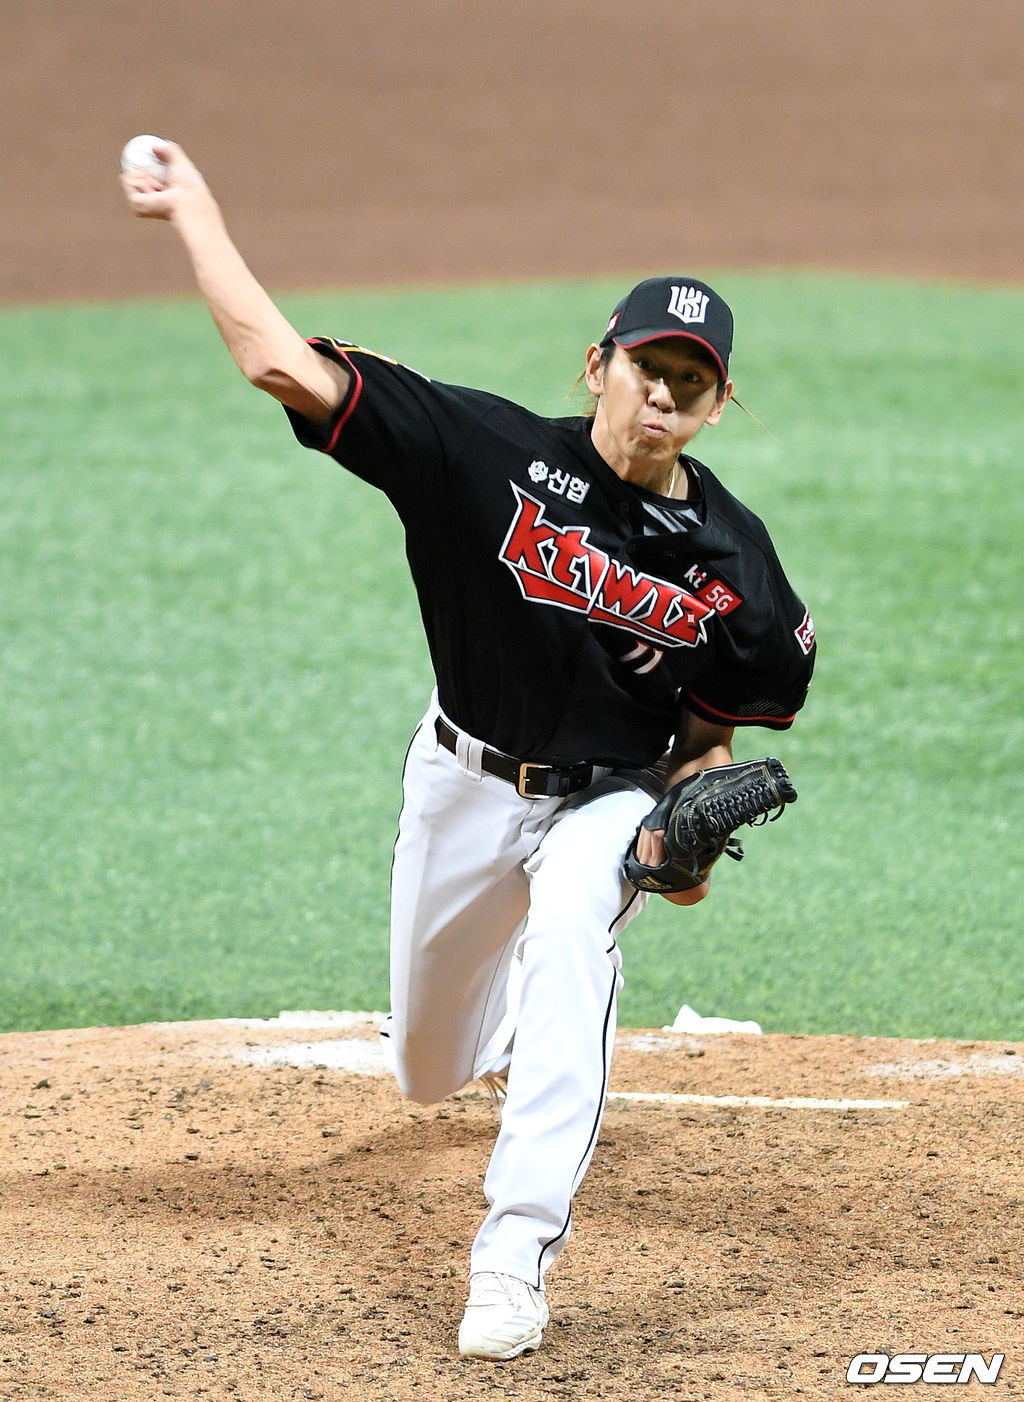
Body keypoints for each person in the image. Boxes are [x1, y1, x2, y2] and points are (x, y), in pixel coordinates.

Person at [121, 143, 816, 1362]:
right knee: (427, 1069)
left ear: (716, 408)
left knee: (570, 943)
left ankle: (512, 1254)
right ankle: (521, 1032)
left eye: (690, 385)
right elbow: (277, 363)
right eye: (646, 366)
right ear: (597, 363)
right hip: (460, 781)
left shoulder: (733, 560)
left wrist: (678, 837)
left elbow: (714, 739)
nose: (662, 395)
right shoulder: (481, 454)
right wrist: (198, 211)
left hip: (603, 799)